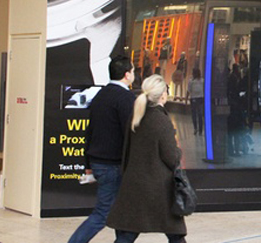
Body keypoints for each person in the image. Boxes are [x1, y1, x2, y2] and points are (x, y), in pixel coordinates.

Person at [106, 74, 187, 242]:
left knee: (127, 233)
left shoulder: (136, 116)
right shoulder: (161, 120)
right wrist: (178, 152)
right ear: (163, 95)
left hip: (134, 184)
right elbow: (171, 157)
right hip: (159, 188)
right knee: (175, 233)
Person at [68, 56, 136, 243]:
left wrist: (88, 165)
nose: (134, 75)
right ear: (127, 74)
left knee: (122, 211)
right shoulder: (126, 98)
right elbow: (130, 132)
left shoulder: (100, 95)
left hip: (98, 161)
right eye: (133, 71)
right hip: (113, 165)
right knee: (103, 213)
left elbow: (90, 131)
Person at [187, 68, 205, 135]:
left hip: (200, 98)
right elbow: (188, 90)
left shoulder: (202, 81)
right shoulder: (191, 81)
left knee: (199, 114)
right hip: (194, 98)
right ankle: (195, 128)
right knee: (194, 114)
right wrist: (186, 99)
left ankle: (200, 129)